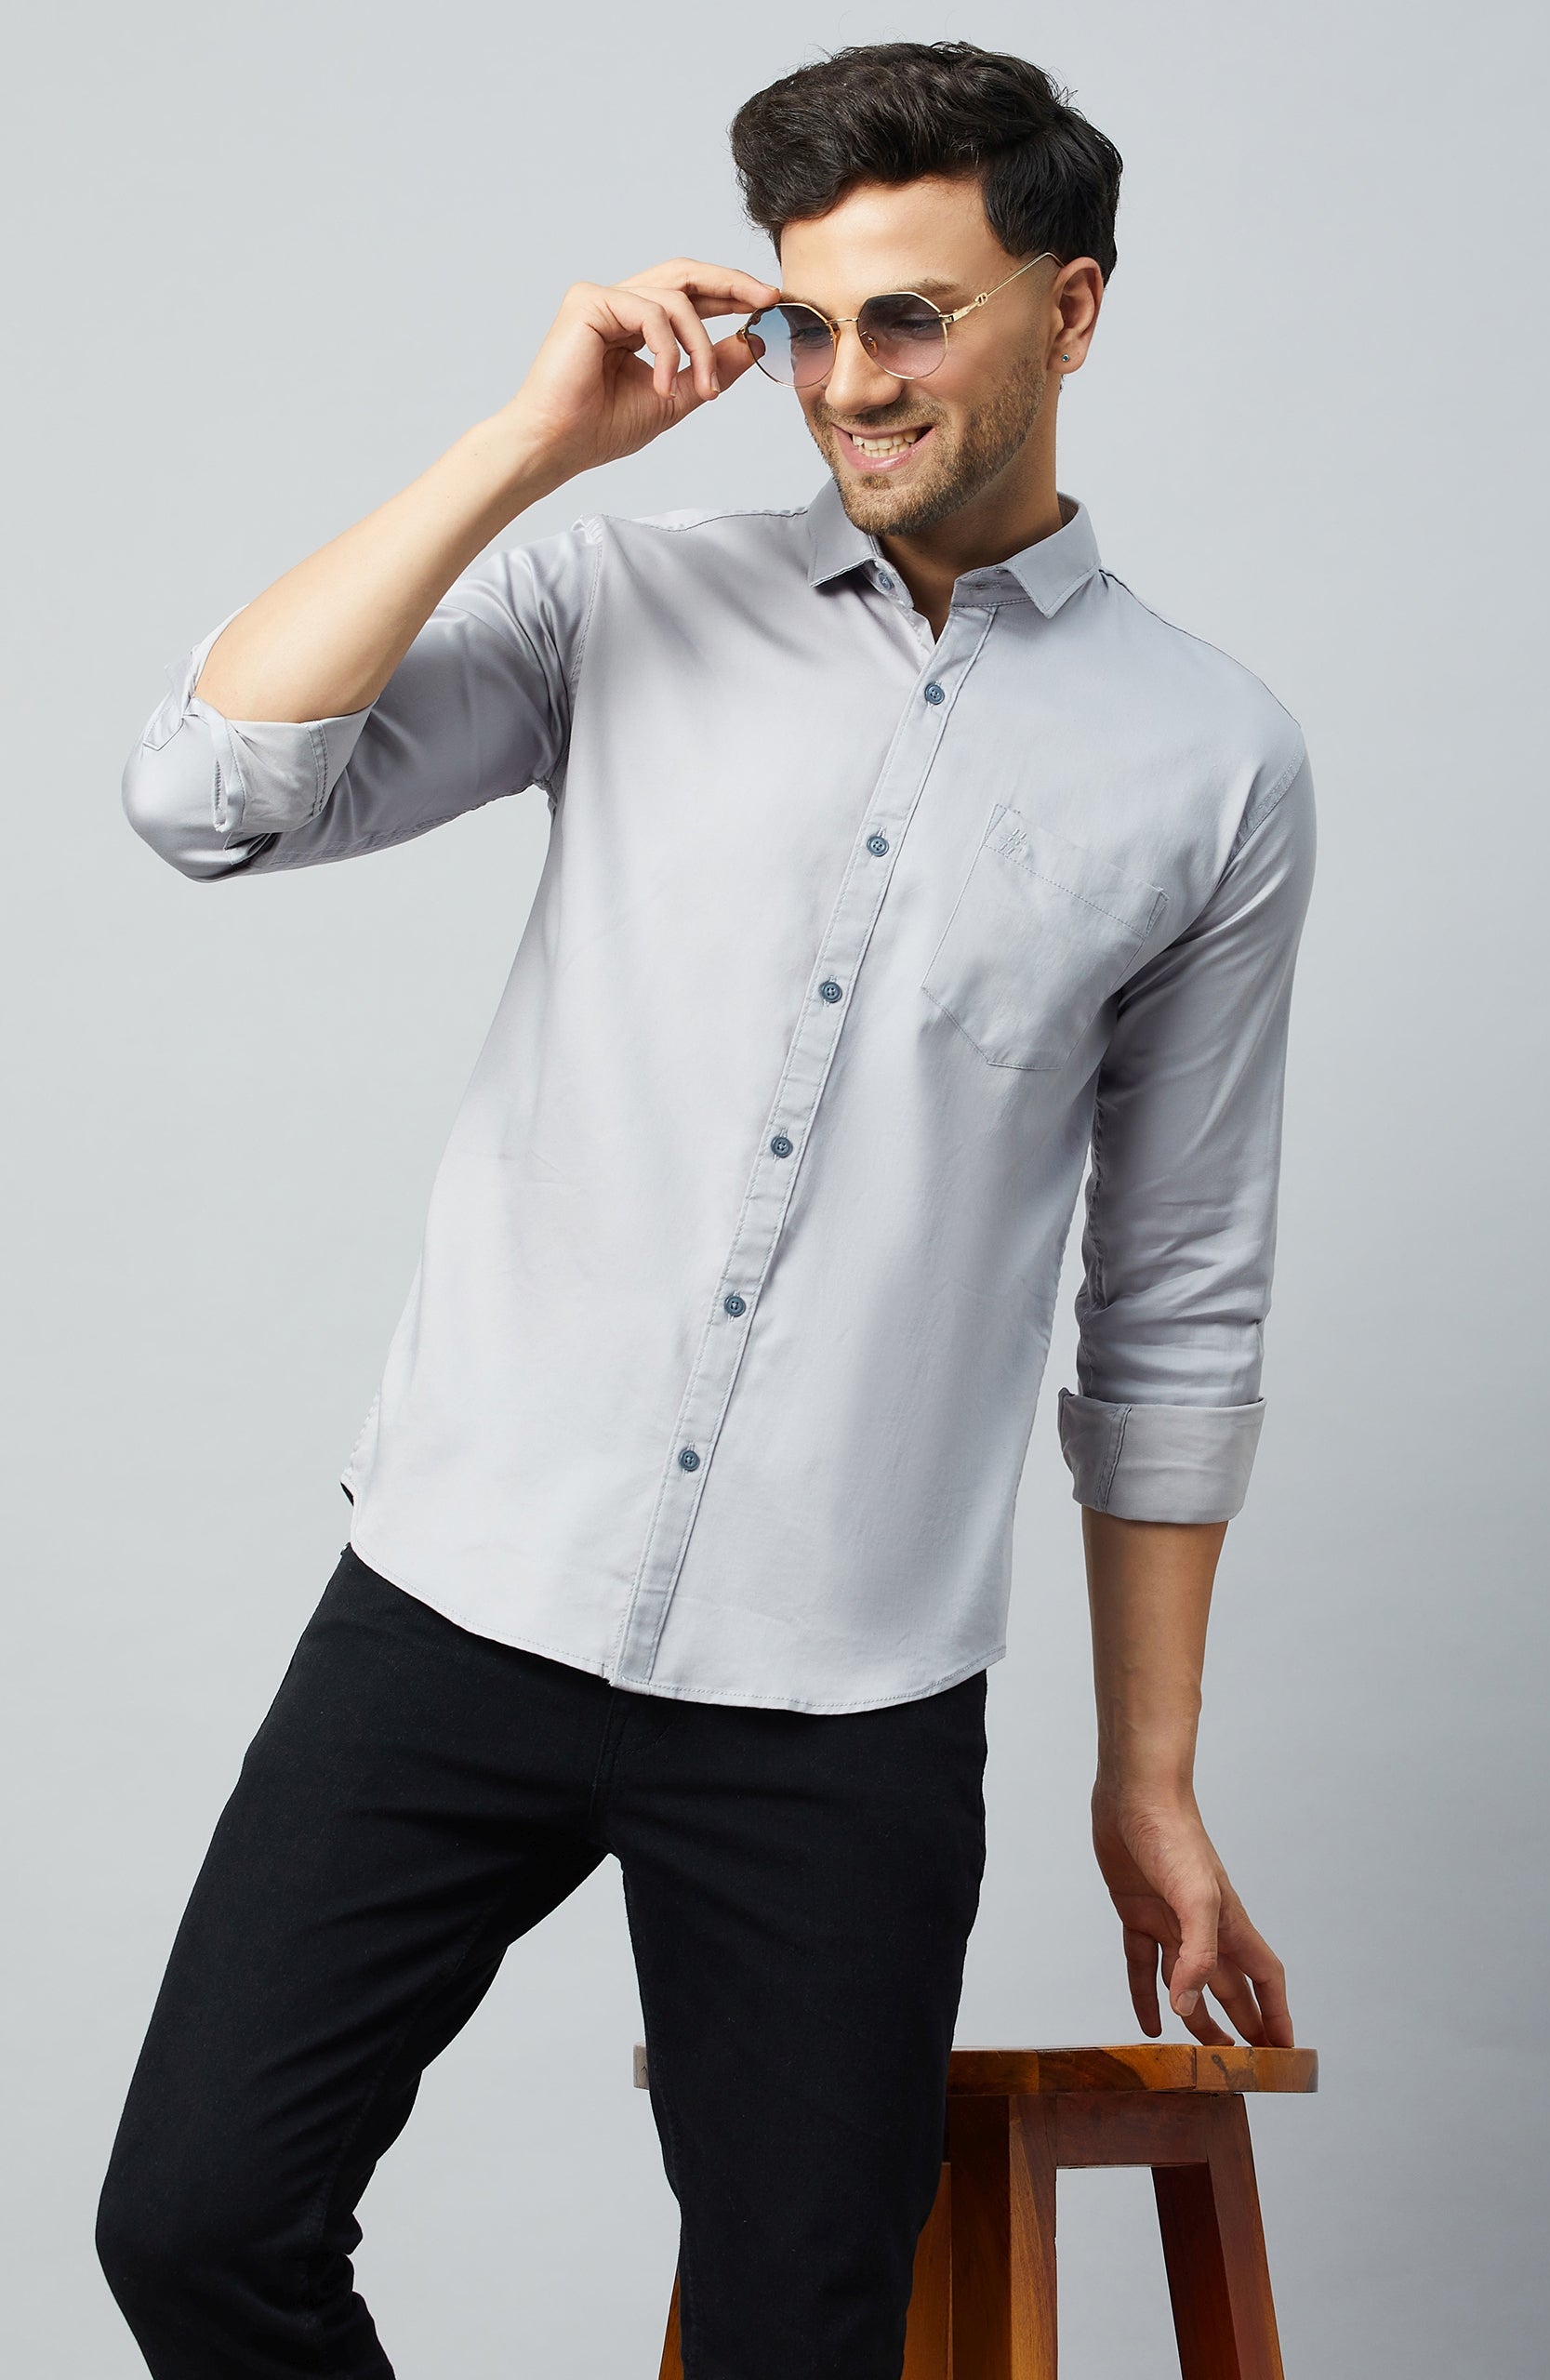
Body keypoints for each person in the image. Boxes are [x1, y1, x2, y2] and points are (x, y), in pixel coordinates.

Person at [97, 38, 1313, 2380]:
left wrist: (1146, 1774)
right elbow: (205, 795)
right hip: (466, 1590)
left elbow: (1173, 1303)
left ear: (1071, 308)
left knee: (801, 2337)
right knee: (201, 2217)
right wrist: (526, 446)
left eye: (914, 316)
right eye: (812, 323)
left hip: (844, 1692)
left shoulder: (1214, 763)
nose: (848, 382)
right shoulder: (621, 600)